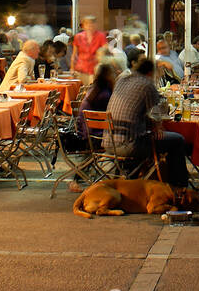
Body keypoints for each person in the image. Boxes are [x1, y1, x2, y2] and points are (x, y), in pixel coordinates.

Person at [103, 58, 189, 186]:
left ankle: (139, 178)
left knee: (157, 139)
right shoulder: (147, 85)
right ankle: (178, 186)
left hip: (108, 142)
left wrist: (152, 124)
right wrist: (157, 125)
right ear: (150, 72)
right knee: (177, 140)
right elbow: (156, 115)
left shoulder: (121, 80)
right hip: (129, 146)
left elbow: (134, 112)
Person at [76, 63, 119, 142]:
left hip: (83, 130)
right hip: (95, 134)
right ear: (108, 75)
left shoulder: (94, 88)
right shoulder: (105, 94)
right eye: (114, 73)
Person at [71, 16, 108, 85]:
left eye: (92, 23)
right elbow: (74, 54)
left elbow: (105, 52)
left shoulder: (101, 36)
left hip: (95, 69)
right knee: (80, 91)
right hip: (80, 69)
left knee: (92, 91)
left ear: (96, 25)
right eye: (87, 24)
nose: (90, 26)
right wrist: (72, 68)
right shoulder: (78, 37)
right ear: (83, 26)